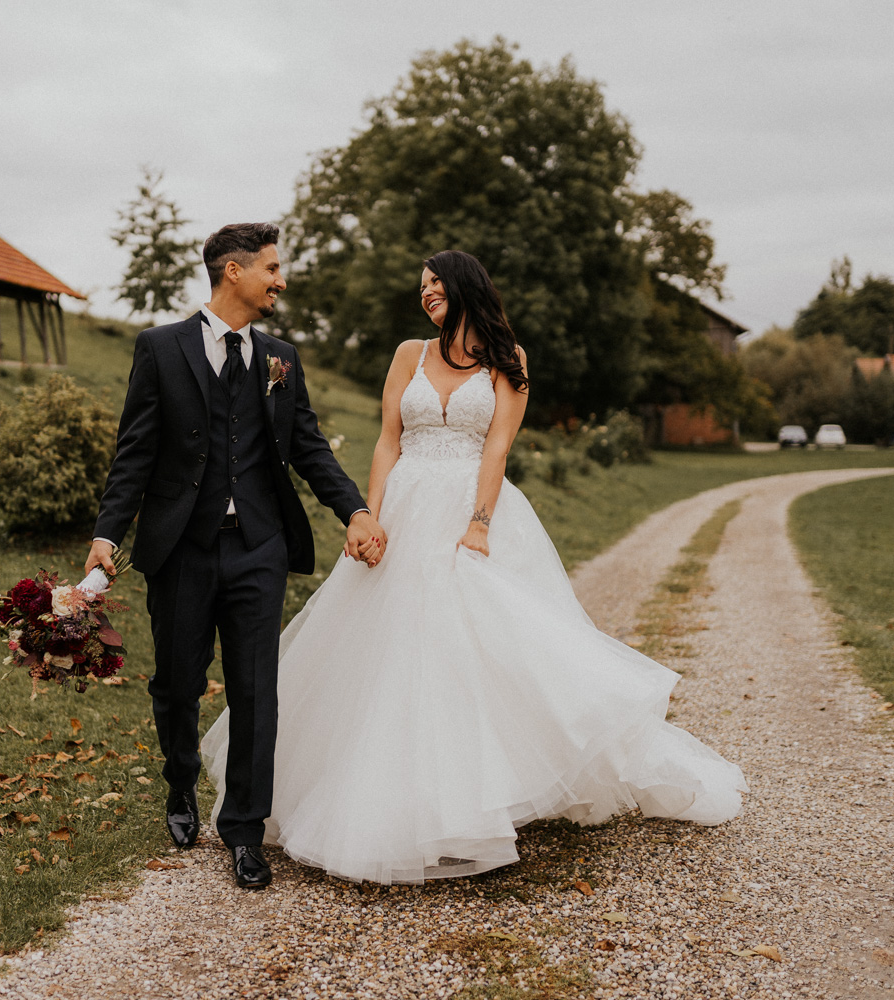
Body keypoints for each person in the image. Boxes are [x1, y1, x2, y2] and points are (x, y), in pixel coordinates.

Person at [201, 250, 747, 885]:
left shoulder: (507, 361)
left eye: (436, 285)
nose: (427, 295)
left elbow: (498, 445)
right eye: (423, 288)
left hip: (468, 507)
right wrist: (367, 515)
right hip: (403, 508)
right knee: (387, 652)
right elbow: (387, 440)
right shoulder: (409, 354)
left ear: (464, 288)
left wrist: (479, 524)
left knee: (475, 649)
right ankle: (385, 791)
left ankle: (472, 798)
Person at [86, 223, 387, 890]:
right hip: (181, 548)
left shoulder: (280, 357)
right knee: (177, 685)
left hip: (259, 548)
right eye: (273, 268)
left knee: (256, 692)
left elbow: (308, 447)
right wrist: (109, 535)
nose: (281, 280)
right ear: (232, 271)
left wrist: (357, 510)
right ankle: (180, 785)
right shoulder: (160, 349)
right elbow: (133, 453)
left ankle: (245, 831)